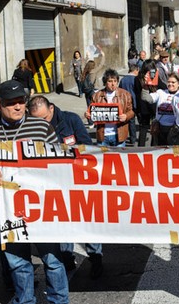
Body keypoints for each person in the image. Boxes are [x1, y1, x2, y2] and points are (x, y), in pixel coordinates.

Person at [0, 80, 68, 303]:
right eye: (10, 103)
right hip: (7, 208)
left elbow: (60, 164)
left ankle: (59, 300)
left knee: (52, 258)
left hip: (41, 205)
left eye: (20, 102)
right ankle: (25, 300)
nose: (17, 107)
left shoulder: (42, 128)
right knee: (17, 261)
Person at [27, 95, 103, 277]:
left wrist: (65, 152)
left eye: (44, 118)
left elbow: (86, 146)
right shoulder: (30, 127)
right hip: (53, 184)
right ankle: (67, 258)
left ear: (51, 109)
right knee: (62, 222)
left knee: (87, 221)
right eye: (36, 119)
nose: (41, 123)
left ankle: (96, 258)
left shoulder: (70, 119)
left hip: (77, 180)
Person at [85, 69, 134, 147]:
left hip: (119, 135)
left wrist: (126, 116)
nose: (113, 84)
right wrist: (88, 115)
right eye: (110, 81)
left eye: (115, 81)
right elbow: (91, 112)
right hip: (103, 136)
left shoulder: (125, 94)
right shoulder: (97, 96)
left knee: (119, 158)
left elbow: (131, 111)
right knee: (102, 158)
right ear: (105, 82)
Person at [141, 73, 179, 145]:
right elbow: (147, 98)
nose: (170, 84)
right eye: (168, 82)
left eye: (173, 82)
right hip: (159, 128)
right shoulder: (160, 92)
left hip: (174, 129)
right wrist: (146, 86)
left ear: (178, 84)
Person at [119, 64, 139, 145]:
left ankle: (123, 136)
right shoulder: (135, 79)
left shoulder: (123, 79)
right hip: (132, 102)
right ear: (135, 70)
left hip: (123, 102)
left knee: (124, 120)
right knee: (132, 121)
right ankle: (133, 138)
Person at [80, 59, 98, 127]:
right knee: (94, 107)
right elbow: (92, 82)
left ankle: (90, 122)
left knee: (89, 106)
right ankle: (93, 122)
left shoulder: (85, 72)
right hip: (92, 91)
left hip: (86, 92)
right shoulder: (93, 72)